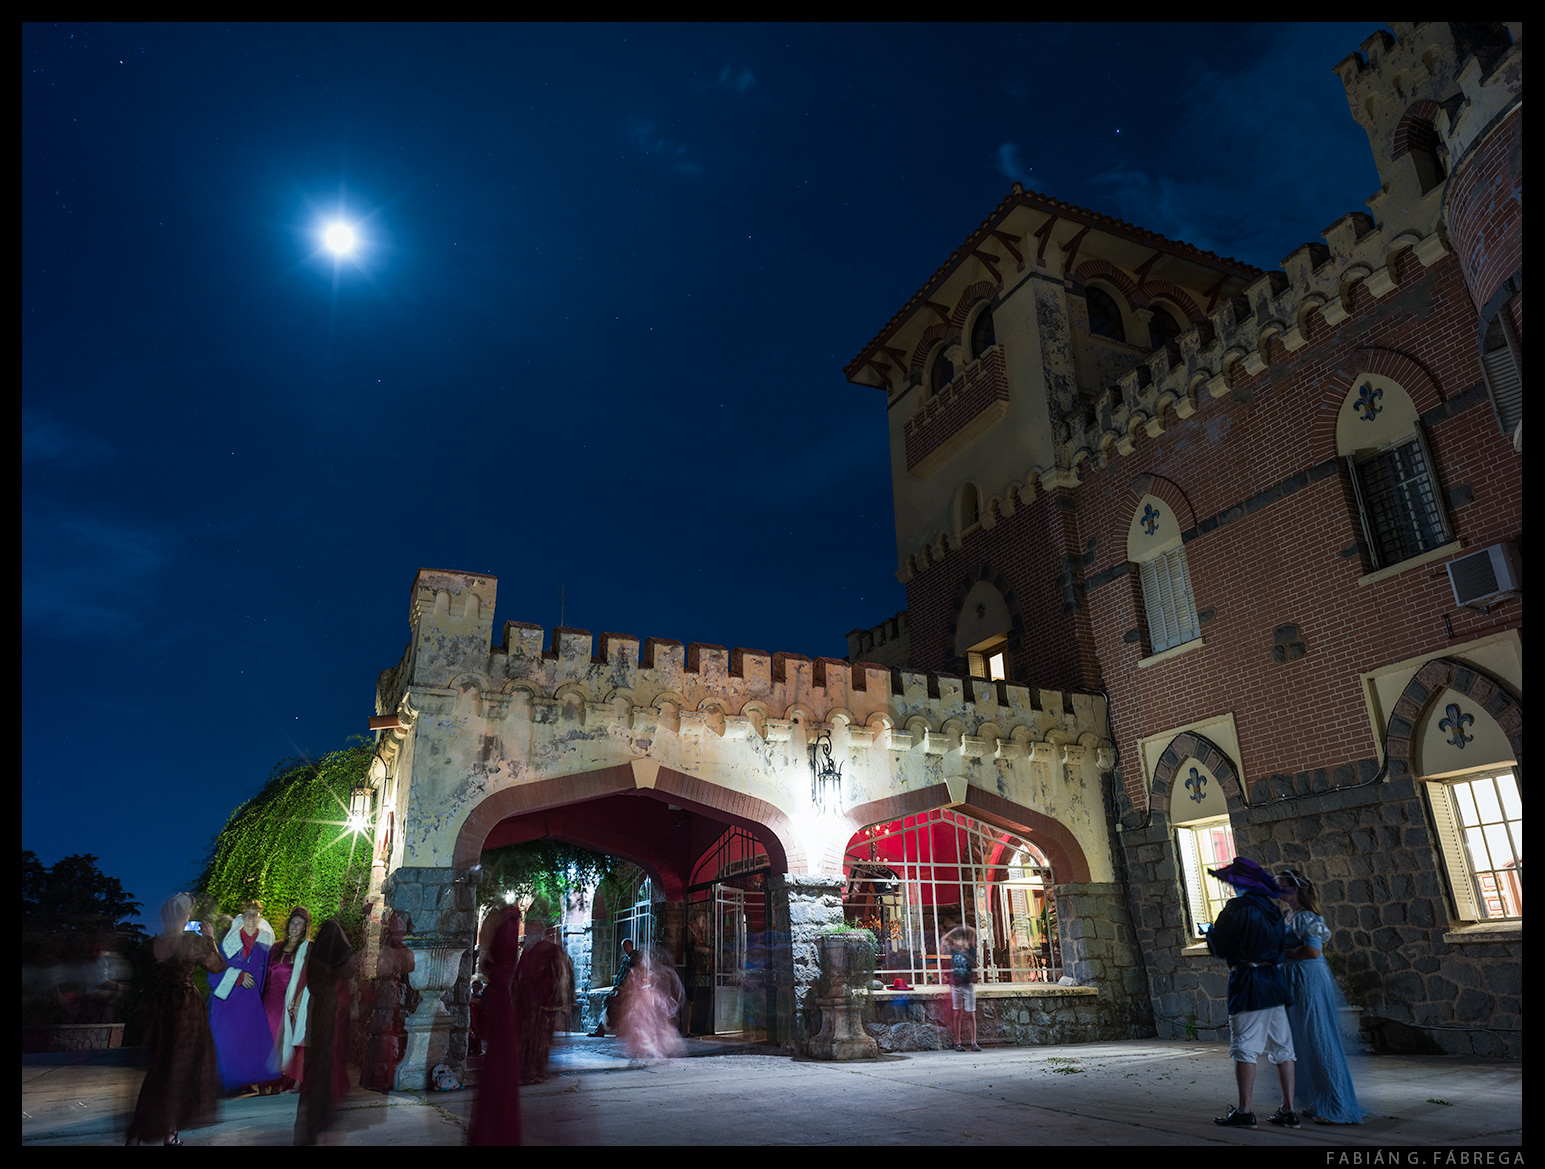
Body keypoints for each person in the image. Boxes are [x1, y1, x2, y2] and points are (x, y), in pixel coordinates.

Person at [1205, 856, 1299, 1129]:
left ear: (1239, 883)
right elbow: (1281, 947)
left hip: (1249, 984)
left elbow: (1220, 947)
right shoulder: (1273, 910)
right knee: (1283, 1048)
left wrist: (1209, 931)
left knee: (1244, 1047)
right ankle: (1288, 1109)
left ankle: (1245, 1110)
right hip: (1274, 984)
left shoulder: (1236, 908)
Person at [125, 894, 227, 1145]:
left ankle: (137, 1135)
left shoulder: (151, 945)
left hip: (159, 1008)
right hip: (184, 1010)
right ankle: (170, 1134)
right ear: (185, 916)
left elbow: (145, 976)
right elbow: (217, 966)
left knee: (158, 1071)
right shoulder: (192, 942)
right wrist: (210, 939)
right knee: (178, 1072)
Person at [1278, 869, 1369, 1125]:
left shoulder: (1307, 917)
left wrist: (1281, 952)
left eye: (1281, 886)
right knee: (1301, 1043)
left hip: (1307, 980)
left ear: (1295, 889)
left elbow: (1312, 952)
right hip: (1292, 980)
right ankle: (1318, 1099)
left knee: (1318, 1038)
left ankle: (1336, 1105)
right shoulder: (1286, 916)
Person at [293, 917, 354, 1145]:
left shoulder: (318, 970)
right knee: (327, 1085)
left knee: (318, 1083)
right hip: (331, 1032)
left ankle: (314, 1132)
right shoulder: (334, 980)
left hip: (320, 1028)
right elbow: (351, 968)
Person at [207, 901, 276, 1094]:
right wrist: (238, 977)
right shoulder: (228, 943)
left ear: (260, 917)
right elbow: (214, 971)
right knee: (228, 1041)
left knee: (247, 1043)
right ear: (242, 916)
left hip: (251, 1003)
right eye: (248, 913)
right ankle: (225, 1084)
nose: (252, 917)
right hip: (229, 1002)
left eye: (256, 913)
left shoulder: (265, 945)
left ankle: (243, 1083)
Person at [469, 909, 522, 1145]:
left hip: (501, 1008)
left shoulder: (508, 929)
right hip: (502, 1010)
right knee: (499, 1075)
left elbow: (499, 967)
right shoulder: (508, 930)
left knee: (498, 1075)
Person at [514, 924, 574, 1084]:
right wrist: (563, 1006)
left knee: (526, 1039)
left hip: (527, 1005)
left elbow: (518, 977)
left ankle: (525, 1072)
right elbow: (562, 981)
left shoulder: (530, 950)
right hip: (546, 1006)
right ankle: (537, 1072)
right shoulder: (556, 953)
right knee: (542, 1041)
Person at [263, 907, 311, 1092]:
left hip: (290, 1001)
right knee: (268, 1039)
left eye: (299, 924)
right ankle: (264, 1081)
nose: (295, 926)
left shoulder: (305, 949)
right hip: (270, 1000)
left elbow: (307, 977)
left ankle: (279, 1081)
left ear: (304, 928)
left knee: (284, 1041)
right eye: (293, 922)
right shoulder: (276, 947)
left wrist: (298, 1000)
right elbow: (265, 974)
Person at [616, 946, 686, 1063]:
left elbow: (647, 987)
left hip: (643, 1004)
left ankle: (648, 1053)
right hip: (639, 1005)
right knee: (641, 1030)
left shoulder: (644, 973)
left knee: (645, 1029)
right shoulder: (635, 973)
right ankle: (642, 1054)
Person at [942, 923, 980, 1052]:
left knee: (971, 1013)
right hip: (956, 985)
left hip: (968, 985)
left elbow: (975, 934)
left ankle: (974, 1042)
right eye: (957, 939)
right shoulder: (954, 951)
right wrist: (955, 929)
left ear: (966, 940)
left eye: (961, 939)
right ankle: (957, 1042)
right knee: (957, 1013)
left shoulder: (971, 951)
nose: (959, 942)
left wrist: (967, 928)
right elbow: (944, 939)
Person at [589, 938, 637, 1038]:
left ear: (631, 945)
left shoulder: (635, 957)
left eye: (626, 946)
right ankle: (605, 1030)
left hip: (627, 990)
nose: (625, 948)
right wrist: (616, 986)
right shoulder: (627, 958)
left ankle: (605, 1030)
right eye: (623, 947)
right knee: (612, 1007)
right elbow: (621, 973)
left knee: (614, 1008)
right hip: (621, 989)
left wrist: (624, 987)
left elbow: (632, 974)